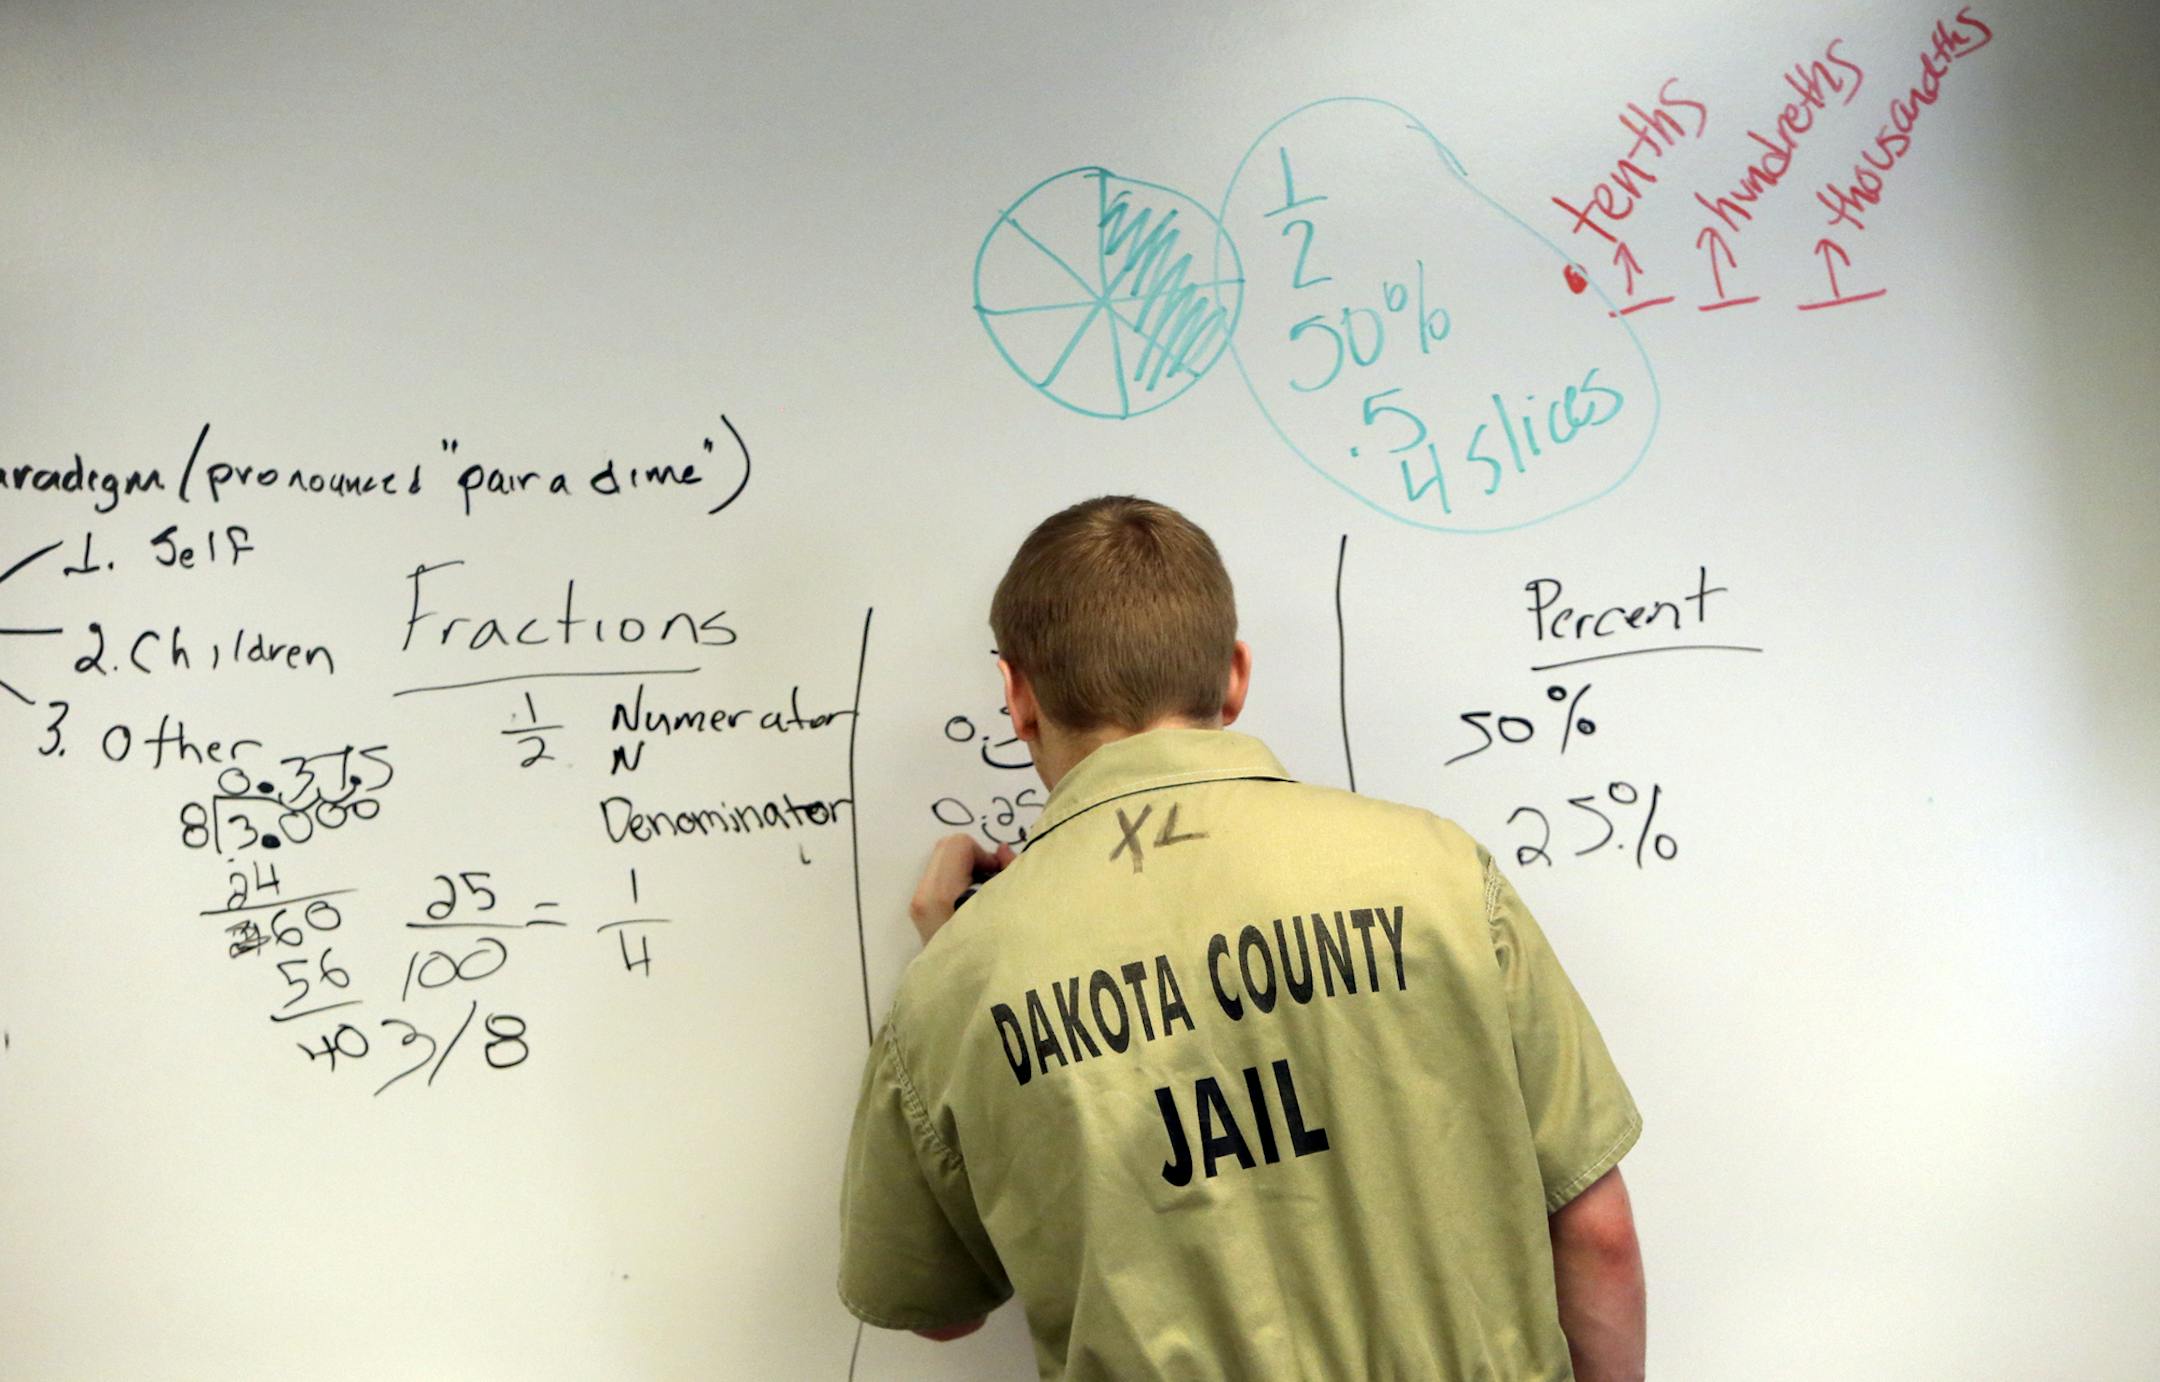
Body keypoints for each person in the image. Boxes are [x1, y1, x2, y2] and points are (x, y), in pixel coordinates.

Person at [839, 496, 1646, 1380]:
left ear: (1018, 695)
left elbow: (936, 1307)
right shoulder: (1441, 875)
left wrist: (960, 969)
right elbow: (1596, 1234)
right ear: (1234, 675)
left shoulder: (958, 982)